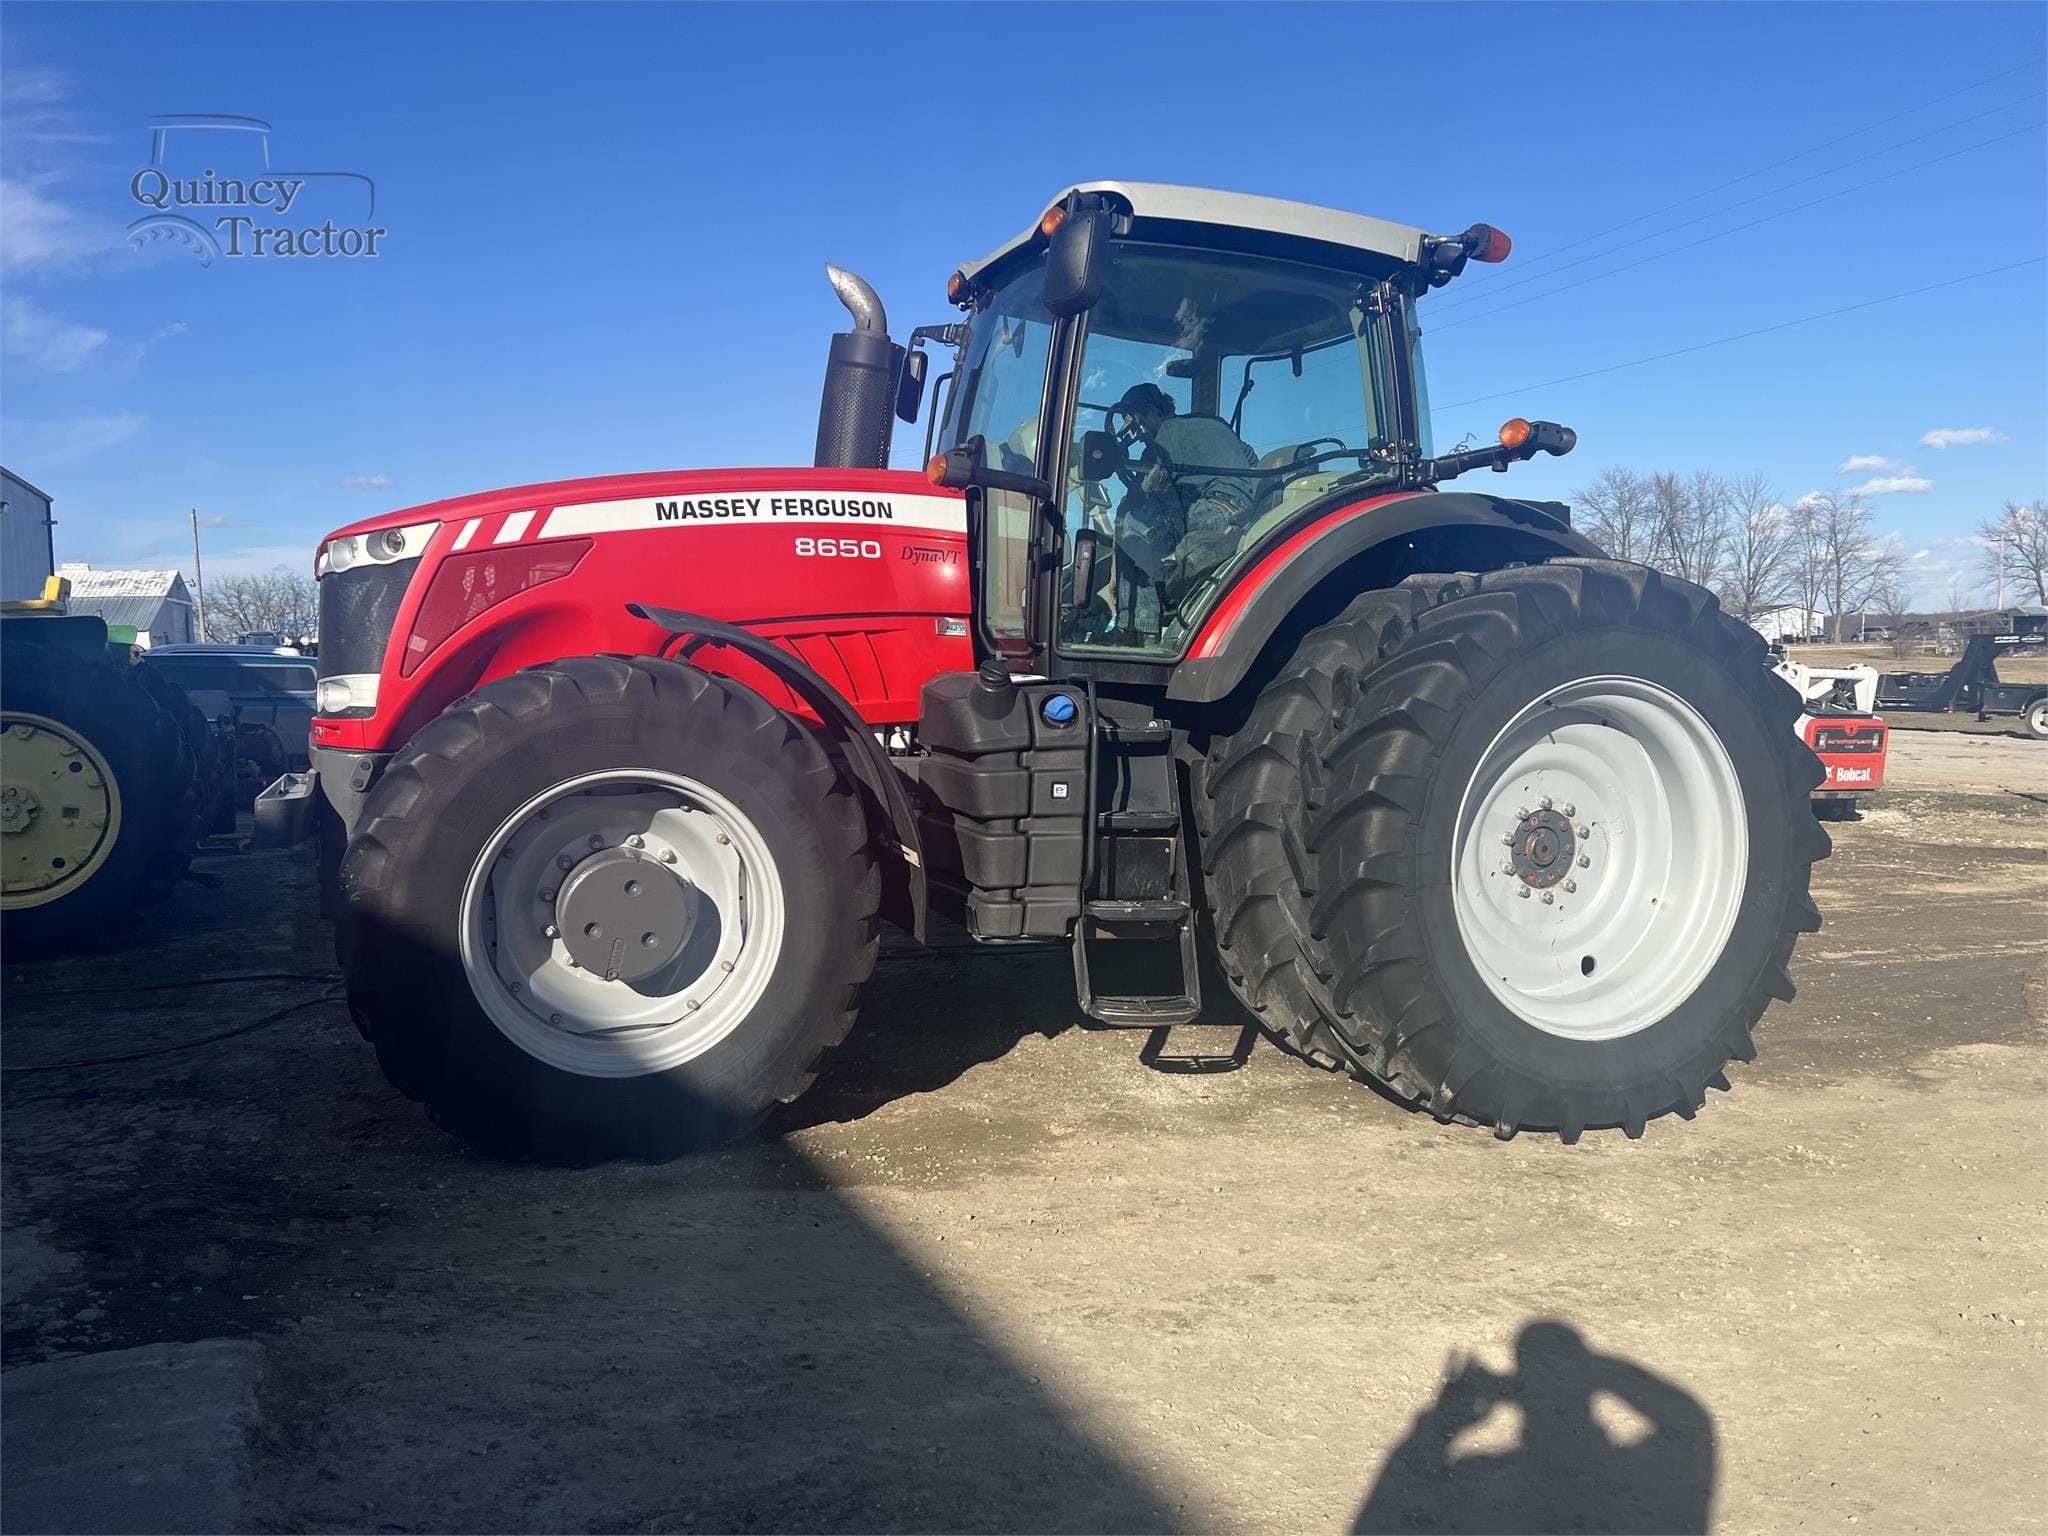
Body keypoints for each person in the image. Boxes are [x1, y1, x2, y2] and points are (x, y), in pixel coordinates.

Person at [1115, 383, 1261, 597]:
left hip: (1210, 513)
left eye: (1137, 426)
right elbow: (1252, 459)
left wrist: (1135, 483)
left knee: (1129, 518)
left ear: (1152, 412)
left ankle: (1144, 619)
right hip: (1247, 512)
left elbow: (1144, 495)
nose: (1138, 435)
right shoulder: (1213, 423)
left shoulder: (1160, 442)